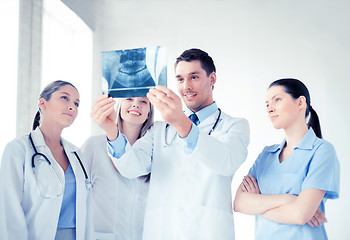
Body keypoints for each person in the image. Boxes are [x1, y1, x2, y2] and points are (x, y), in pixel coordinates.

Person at [101, 48, 250, 239]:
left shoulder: (235, 126)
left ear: (212, 79)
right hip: (164, 231)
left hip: (208, 231)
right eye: (180, 79)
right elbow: (131, 167)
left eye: (194, 77)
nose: (186, 86)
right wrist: (111, 131)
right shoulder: (160, 130)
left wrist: (181, 122)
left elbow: (225, 161)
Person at [234, 78, 340, 239]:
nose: (270, 108)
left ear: (300, 103)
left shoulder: (322, 151)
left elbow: (299, 214)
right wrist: (289, 199)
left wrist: (258, 204)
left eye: (277, 99)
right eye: (267, 104)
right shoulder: (266, 155)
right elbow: (239, 203)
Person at [0, 80, 92, 240]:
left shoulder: (76, 153)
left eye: (77, 103)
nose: (72, 106)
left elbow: (87, 210)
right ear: (43, 103)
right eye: (64, 98)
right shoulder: (18, 149)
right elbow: (9, 210)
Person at [81, 96, 154, 239]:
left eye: (143, 101)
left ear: (149, 113)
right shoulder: (94, 146)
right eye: (129, 99)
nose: (136, 104)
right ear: (119, 106)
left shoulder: (155, 151)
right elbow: (76, 195)